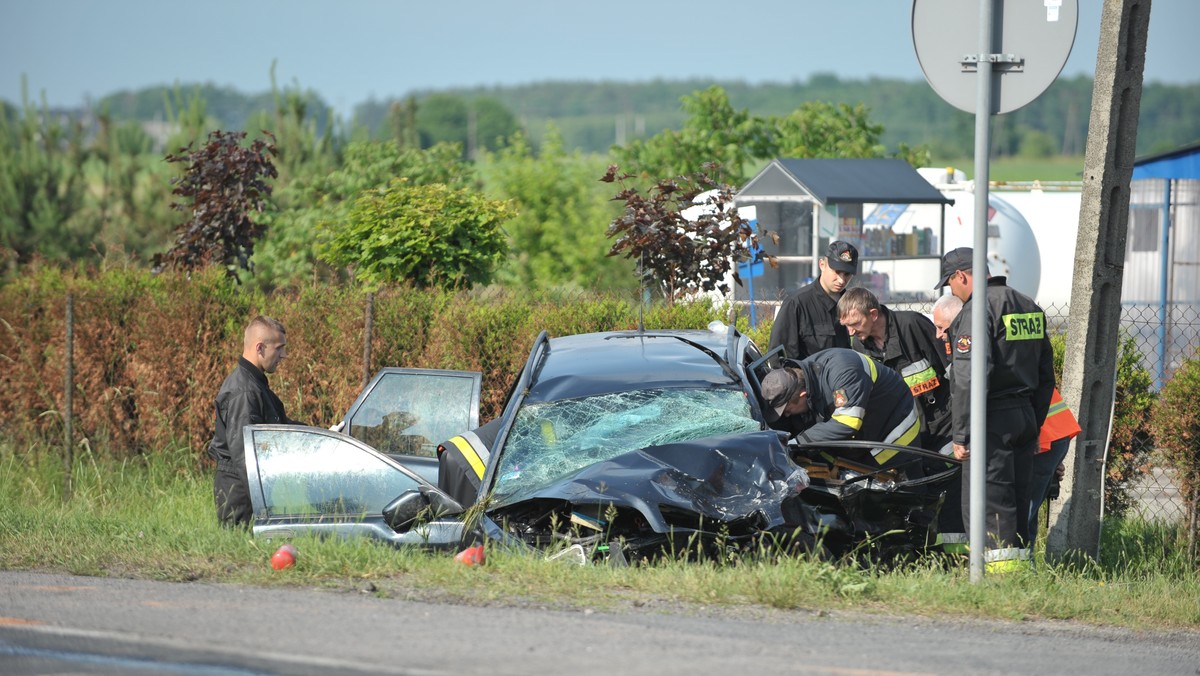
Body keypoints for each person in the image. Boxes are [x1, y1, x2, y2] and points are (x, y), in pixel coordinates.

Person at [935, 247, 1055, 572]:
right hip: (1026, 416)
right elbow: (1046, 376)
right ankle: (1016, 570)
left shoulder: (978, 310)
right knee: (1018, 499)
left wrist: (962, 433)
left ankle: (1001, 580)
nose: (952, 292)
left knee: (992, 504)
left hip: (992, 420)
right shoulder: (1028, 305)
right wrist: (1034, 421)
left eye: (950, 285)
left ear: (961, 276)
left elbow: (969, 377)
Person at [837, 287, 964, 551]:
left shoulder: (912, 326)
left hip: (945, 426)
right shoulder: (860, 343)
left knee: (948, 492)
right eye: (846, 326)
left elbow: (955, 371)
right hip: (908, 434)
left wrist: (961, 424)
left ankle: (956, 557)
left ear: (873, 314)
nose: (850, 332)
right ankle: (924, 551)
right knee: (916, 494)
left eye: (854, 324)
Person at [208, 316, 304, 528]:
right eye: (279, 348)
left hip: (249, 489)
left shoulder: (255, 384)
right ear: (260, 348)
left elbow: (276, 428)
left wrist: (317, 434)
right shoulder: (244, 391)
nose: (284, 355)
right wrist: (263, 500)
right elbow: (245, 454)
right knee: (240, 556)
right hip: (241, 494)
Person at [761, 347, 921, 470]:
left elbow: (847, 423)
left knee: (895, 494)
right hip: (865, 434)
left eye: (787, 410)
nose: (787, 415)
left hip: (895, 429)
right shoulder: (806, 376)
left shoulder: (844, 372)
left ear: (802, 394)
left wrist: (797, 443)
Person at [768, 241, 859, 364]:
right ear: (822, 265)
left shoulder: (854, 305)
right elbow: (778, 358)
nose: (841, 280)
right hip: (806, 381)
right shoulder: (796, 304)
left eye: (847, 274)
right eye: (837, 272)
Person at [1027, 387, 1080, 545]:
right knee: (1025, 514)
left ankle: (1014, 566)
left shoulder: (965, 365)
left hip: (1040, 438)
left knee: (1017, 517)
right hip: (1051, 433)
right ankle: (1022, 565)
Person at [436, 417, 502, 507]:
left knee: (448, 513)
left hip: (453, 450)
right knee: (462, 514)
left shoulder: (519, 411)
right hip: (469, 461)